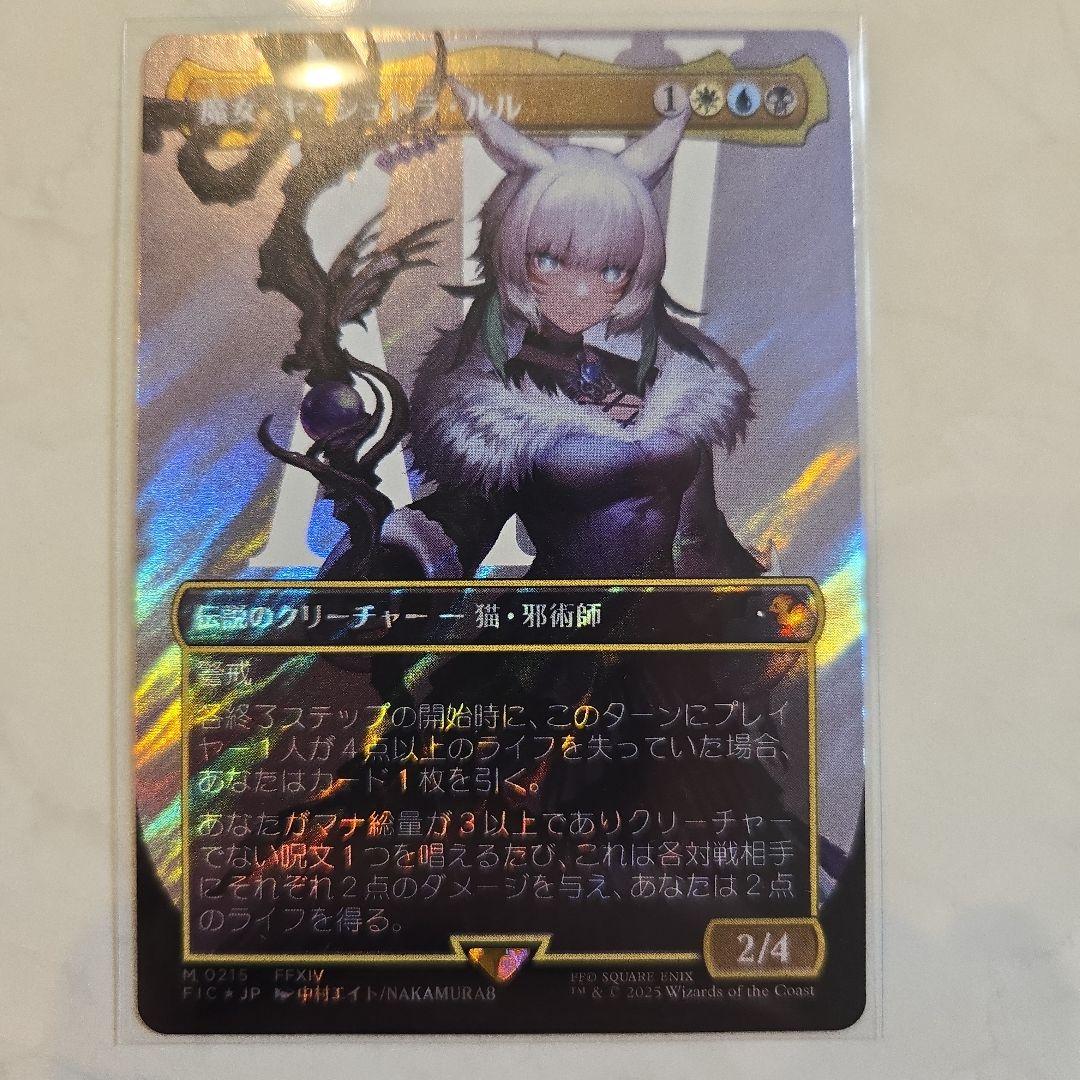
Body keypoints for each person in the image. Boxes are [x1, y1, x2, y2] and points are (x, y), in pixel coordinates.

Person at [323, 78, 769, 584]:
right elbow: (466, 517)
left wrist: (750, 594)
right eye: (550, 260)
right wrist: (396, 561)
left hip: (666, 619)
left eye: (611, 269)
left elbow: (700, 533)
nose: (581, 292)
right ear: (513, 252)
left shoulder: (666, 384)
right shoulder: (500, 404)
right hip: (564, 621)